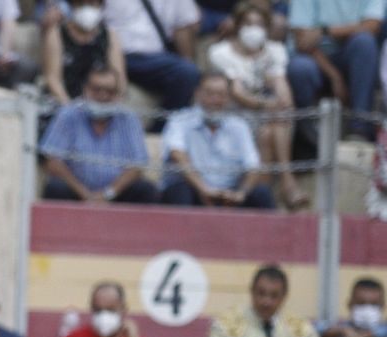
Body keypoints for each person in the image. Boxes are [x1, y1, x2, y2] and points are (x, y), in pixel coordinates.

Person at [208, 1, 307, 210]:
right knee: (268, 127)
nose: (254, 29)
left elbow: (280, 83)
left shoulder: (275, 50)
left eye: (260, 24)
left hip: (268, 118)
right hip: (235, 118)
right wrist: (269, 105)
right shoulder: (220, 52)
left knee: (270, 129)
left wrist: (284, 101)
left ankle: (271, 190)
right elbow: (238, 94)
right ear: (237, 26)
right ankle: (286, 185)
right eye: (248, 23)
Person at [40, 65, 160, 202]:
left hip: (116, 194)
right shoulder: (69, 114)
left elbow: (137, 165)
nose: (103, 95)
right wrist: (85, 195)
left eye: (109, 91)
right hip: (76, 192)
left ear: (118, 94)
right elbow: (53, 161)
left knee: (146, 190)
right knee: (55, 188)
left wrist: (107, 194)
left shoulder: (128, 119)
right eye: (96, 89)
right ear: (85, 89)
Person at [160, 73, 277, 209]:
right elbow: (177, 154)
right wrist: (204, 190)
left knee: (261, 193)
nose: (215, 100)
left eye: (221, 94)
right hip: (194, 191)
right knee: (179, 191)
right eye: (210, 93)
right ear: (198, 94)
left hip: (230, 195)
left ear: (228, 97)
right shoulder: (180, 120)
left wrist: (241, 194)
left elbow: (253, 165)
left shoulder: (239, 126)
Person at [286, 0, 381, 142]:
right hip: (315, 58)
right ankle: (308, 142)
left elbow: (371, 27)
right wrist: (335, 77)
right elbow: (302, 40)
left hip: (351, 55)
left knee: (364, 42)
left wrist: (324, 31)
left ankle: (360, 130)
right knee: (300, 68)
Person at [105, 0, 201, 113]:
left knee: (188, 73)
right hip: (111, 52)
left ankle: (163, 127)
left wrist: (188, 62)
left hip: (156, 58)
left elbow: (183, 26)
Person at [43, 0, 127, 104]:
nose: (86, 8)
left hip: (100, 105)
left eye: (92, 4)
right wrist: (70, 108)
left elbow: (119, 78)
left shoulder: (109, 35)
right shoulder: (56, 34)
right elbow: (52, 79)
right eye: (81, 4)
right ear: (71, 6)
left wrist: (110, 107)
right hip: (65, 103)